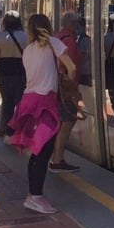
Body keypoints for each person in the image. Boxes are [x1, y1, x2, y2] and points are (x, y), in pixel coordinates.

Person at [8, 13, 76, 215]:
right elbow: (71, 67)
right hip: (45, 103)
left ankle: (35, 195)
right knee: (44, 151)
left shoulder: (28, 50)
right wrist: (68, 82)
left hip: (28, 102)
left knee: (38, 151)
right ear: (47, 26)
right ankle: (35, 196)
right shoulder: (53, 43)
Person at [49, 11, 85, 172]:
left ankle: (55, 158)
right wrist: (71, 87)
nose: (79, 27)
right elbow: (70, 66)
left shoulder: (56, 38)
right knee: (67, 124)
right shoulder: (69, 41)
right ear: (72, 24)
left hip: (56, 86)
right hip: (66, 90)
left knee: (61, 124)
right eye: (77, 24)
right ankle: (57, 160)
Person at [0, 13, 29, 137]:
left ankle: (4, 127)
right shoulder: (25, 36)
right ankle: (21, 128)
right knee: (21, 102)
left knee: (7, 102)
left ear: (4, 22)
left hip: (5, 73)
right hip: (22, 72)